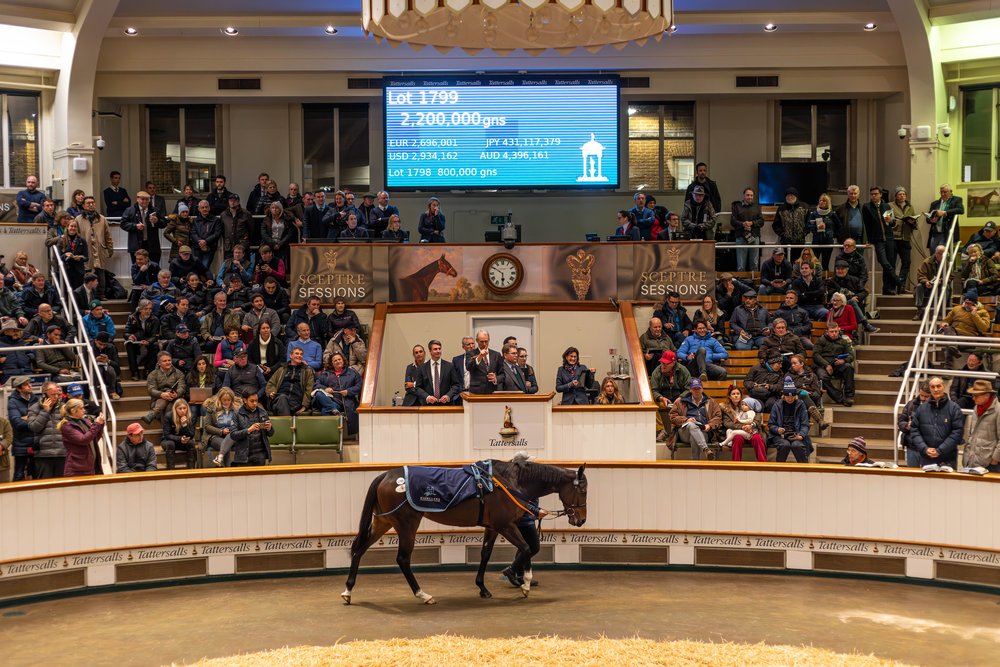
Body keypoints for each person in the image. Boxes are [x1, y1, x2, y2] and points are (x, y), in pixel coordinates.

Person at [909, 376, 964, 468]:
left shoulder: (954, 408)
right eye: (933, 387)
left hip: (948, 458)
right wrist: (924, 448)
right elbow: (914, 430)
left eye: (938, 386)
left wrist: (940, 450)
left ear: (944, 387)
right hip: (926, 457)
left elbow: (957, 433)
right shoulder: (921, 409)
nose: (936, 389)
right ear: (930, 389)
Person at [862, 185, 902, 295]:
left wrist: (890, 220)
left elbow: (893, 223)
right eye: (872, 194)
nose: (873, 196)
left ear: (880, 195)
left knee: (891, 263)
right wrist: (868, 239)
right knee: (884, 262)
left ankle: (888, 289)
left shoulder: (887, 206)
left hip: (889, 238)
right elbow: (866, 225)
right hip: (877, 240)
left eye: (875, 194)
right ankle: (898, 281)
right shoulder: (867, 207)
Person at [669, 378, 721, 459]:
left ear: (702, 389)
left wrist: (710, 425)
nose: (696, 391)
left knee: (695, 436)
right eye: (694, 389)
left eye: (698, 388)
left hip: (704, 431)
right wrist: (686, 420)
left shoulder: (711, 402)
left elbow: (718, 417)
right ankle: (705, 449)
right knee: (691, 424)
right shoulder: (680, 402)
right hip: (684, 432)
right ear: (690, 390)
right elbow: (672, 416)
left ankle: (695, 464)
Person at [938, 289, 991, 368]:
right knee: (948, 329)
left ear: (974, 304)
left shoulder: (983, 312)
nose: (967, 305)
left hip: (969, 337)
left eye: (970, 303)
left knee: (949, 344)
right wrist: (943, 324)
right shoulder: (956, 309)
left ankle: (951, 355)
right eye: (966, 302)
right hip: (954, 336)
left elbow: (984, 328)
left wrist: (974, 315)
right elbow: (945, 321)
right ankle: (953, 348)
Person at [312, 351, 362, 433]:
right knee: (318, 394)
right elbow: (316, 385)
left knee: (325, 410)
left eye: (339, 359)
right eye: (335, 361)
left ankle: (332, 437)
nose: (338, 361)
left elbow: (359, 386)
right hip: (331, 400)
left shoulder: (352, 372)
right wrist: (325, 388)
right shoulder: (325, 374)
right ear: (332, 363)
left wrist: (348, 391)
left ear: (343, 360)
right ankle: (333, 409)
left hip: (346, 402)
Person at [75, 195, 115, 298]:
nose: (91, 205)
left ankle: (101, 294)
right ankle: (88, 295)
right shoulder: (78, 219)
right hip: (86, 249)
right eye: (88, 203)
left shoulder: (102, 219)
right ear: (83, 205)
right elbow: (76, 235)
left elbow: (107, 235)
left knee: (100, 272)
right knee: (87, 272)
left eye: (93, 203)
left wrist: (110, 248)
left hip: (99, 248)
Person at [26, 381, 65, 479]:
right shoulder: (34, 408)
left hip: (62, 452)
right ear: (44, 394)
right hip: (43, 454)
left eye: (58, 394)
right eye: (53, 394)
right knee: (45, 488)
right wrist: (44, 411)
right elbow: (34, 427)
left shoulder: (64, 408)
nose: (56, 397)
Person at [650, 350, 691, 443]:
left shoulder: (683, 370)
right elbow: (653, 390)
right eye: (662, 363)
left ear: (673, 363)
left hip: (680, 399)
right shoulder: (657, 372)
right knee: (650, 402)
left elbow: (689, 388)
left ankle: (680, 430)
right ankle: (661, 430)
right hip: (663, 399)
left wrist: (681, 398)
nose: (663, 365)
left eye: (666, 363)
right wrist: (661, 398)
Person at [768, 378, 812, 463]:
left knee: (797, 445)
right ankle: (779, 469)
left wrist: (801, 435)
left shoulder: (801, 404)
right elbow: (771, 424)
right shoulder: (777, 405)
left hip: (796, 434)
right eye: (788, 396)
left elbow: (805, 424)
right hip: (780, 436)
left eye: (792, 396)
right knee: (784, 445)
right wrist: (777, 429)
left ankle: (804, 469)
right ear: (784, 395)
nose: (790, 398)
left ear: (795, 396)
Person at [225, 390, 273, 467]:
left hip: (260, 454)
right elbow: (233, 434)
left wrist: (269, 428)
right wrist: (248, 430)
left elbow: (271, 434)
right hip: (244, 454)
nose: (255, 403)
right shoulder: (237, 414)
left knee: (260, 478)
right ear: (244, 400)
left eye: (256, 401)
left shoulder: (263, 412)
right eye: (252, 401)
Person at [812, 321, 855, 406]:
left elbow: (851, 355)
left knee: (849, 367)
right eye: (832, 332)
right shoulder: (821, 340)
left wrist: (844, 360)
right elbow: (816, 355)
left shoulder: (843, 341)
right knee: (822, 377)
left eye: (836, 331)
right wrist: (826, 365)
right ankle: (840, 398)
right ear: (827, 332)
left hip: (837, 365)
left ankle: (849, 395)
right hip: (822, 365)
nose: (834, 334)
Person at [59, 399, 106, 477]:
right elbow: (83, 440)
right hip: (77, 469)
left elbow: (93, 439)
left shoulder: (84, 421)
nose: (84, 411)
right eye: (81, 408)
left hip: (91, 466)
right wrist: (97, 424)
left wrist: (101, 425)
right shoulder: (67, 426)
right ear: (73, 410)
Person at [961, 380, 1000, 472]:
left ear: (987, 395)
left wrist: (995, 459)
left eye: (976, 396)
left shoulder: (998, 411)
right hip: (971, 461)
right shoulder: (976, 408)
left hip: (989, 464)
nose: (973, 398)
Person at [719, 388, 765, 462]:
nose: (736, 396)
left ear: (741, 395)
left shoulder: (748, 403)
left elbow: (758, 417)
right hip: (738, 431)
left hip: (752, 430)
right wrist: (742, 427)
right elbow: (727, 423)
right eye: (733, 394)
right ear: (730, 396)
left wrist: (751, 425)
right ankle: (736, 464)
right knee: (737, 438)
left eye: (738, 394)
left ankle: (763, 463)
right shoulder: (726, 409)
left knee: (758, 438)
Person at [267, 346, 315, 415]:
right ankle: (287, 424)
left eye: (301, 354)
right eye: (297, 353)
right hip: (279, 399)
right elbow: (271, 383)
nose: (299, 356)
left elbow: (309, 389)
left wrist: (304, 406)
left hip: (296, 402)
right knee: (283, 398)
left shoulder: (307, 371)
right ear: (291, 355)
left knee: (284, 404)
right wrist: (271, 392)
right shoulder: (282, 369)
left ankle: (285, 424)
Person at [787, 353, 829, 431]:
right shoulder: (789, 376)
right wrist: (800, 391)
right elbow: (786, 389)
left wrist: (810, 394)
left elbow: (817, 393)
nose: (792, 365)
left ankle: (802, 432)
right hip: (792, 398)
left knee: (804, 400)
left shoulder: (812, 376)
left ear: (802, 364)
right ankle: (820, 420)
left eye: (795, 363)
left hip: (809, 399)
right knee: (803, 397)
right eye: (791, 363)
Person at [120, 190, 164, 264]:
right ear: (137, 199)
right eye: (142, 199)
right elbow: (123, 224)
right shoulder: (130, 210)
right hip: (136, 245)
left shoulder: (155, 210)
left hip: (152, 246)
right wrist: (135, 226)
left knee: (153, 266)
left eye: (147, 199)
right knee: (137, 268)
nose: (145, 201)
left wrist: (157, 221)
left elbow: (164, 223)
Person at [7, 377, 37, 481]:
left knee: (37, 474)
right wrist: (34, 419)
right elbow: (17, 423)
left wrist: (27, 417)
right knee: (19, 475)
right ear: (19, 388)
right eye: (26, 384)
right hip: (21, 444)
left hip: (36, 443)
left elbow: (42, 419)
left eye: (29, 383)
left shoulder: (36, 399)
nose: (30, 386)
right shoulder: (13, 402)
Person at [144, 351, 187, 424]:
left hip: (175, 398)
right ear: (159, 363)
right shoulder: (152, 374)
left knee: (169, 406)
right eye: (164, 361)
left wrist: (176, 394)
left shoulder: (179, 373)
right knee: (166, 404)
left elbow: (182, 387)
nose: (168, 362)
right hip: (158, 400)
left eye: (169, 360)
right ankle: (167, 433)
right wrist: (161, 394)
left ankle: (153, 414)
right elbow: (151, 389)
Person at [890, 186, 919, 290]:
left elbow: (915, 223)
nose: (902, 196)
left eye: (903, 194)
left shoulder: (910, 207)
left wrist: (912, 222)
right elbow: (887, 221)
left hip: (906, 239)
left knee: (906, 262)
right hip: (894, 238)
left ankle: (901, 284)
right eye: (899, 194)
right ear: (896, 196)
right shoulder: (890, 206)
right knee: (891, 263)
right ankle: (892, 286)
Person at [124, 299, 160, 379]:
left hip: (148, 341)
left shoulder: (155, 319)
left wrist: (148, 341)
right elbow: (126, 332)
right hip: (136, 340)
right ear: (140, 309)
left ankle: (149, 371)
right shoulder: (132, 317)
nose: (148, 311)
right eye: (146, 309)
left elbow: (155, 335)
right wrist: (129, 336)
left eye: (150, 309)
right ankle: (135, 372)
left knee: (155, 346)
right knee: (129, 345)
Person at [731, 187, 764, 272]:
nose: (750, 197)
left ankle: (755, 284)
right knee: (741, 265)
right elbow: (732, 221)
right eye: (748, 195)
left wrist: (752, 223)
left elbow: (761, 221)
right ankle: (740, 283)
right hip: (741, 237)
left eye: (751, 195)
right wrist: (743, 224)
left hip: (754, 236)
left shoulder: (757, 207)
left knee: (754, 264)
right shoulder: (737, 207)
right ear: (744, 196)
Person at [204, 388, 240, 466]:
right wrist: (221, 431)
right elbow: (207, 426)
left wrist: (232, 430)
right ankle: (227, 468)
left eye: (228, 400)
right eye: (224, 400)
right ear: (220, 399)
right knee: (224, 445)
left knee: (230, 439)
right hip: (215, 436)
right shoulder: (212, 408)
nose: (226, 402)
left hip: (232, 436)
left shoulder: (237, 409)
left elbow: (240, 424)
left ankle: (220, 459)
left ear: (232, 400)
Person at [898, 381, 931, 467]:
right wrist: (907, 426)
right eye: (921, 395)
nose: (923, 398)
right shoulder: (911, 404)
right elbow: (901, 421)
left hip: (929, 448)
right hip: (912, 447)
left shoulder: (938, 408)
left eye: (926, 396)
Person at [416, 339, 458, 405]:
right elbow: (418, 388)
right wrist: (427, 397)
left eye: (439, 349)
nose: (438, 351)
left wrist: (448, 396)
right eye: (435, 349)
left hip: (446, 405)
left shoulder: (449, 366)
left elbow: (456, 385)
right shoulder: (422, 368)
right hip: (428, 406)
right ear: (430, 351)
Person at [772, 187, 810, 261]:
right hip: (786, 242)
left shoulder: (805, 207)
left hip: (800, 242)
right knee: (787, 263)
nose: (789, 197)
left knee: (799, 263)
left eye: (791, 195)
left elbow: (809, 223)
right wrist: (783, 234)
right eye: (788, 195)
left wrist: (804, 233)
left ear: (796, 196)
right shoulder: (781, 208)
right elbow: (775, 225)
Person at [807, 193, 841, 270]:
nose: (821, 202)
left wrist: (832, 234)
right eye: (820, 200)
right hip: (816, 241)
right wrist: (816, 227)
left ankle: (825, 280)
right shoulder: (814, 214)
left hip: (828, 242)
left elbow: (839, 226)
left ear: (828, 203)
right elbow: (808, 226)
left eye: (824, 201)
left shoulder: (832, 214)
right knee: (814, 264)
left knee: (825, 264)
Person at [926, 183, 964, 251]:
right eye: (941, 192)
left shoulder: (956, 200)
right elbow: (928, 217)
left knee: (943, 254)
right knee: (933, 253)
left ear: (950, 191)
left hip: (947, 232)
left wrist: (945, 212)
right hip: (935, 233)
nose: (943, 194)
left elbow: (961, 210)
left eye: (945, 192)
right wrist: (931, 220)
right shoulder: (934, 203)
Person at [161, 398, 196, 469]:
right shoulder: (169, 416)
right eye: (180, 408)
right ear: (175, 409)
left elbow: (191, 435)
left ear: (187, 408)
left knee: (191, 443)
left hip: (183, 442)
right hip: (168, 441)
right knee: (171, 444)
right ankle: (171, 470)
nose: (183, 411)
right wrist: (180, 439)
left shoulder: (190, 416)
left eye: (184, 408)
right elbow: (167, 435)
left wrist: (184, 425)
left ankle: (191, 469)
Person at [466, 329, 502, 394]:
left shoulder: (496, 355)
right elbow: (469, 367)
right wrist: (479, 357)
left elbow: (502, 374)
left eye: (486, 341)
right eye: (481, 342)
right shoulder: (471, 353)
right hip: (476, 391)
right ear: (477, 341)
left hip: (492, 390)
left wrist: (496, 378)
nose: (484, 344)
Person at [191, 199, 223, 272]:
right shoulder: (195, 220)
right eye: (202, 207)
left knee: (204, 267)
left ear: (209, 208)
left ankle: (204, 282)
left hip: (210, 247)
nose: (205, 209)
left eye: (206, 207)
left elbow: (217, 233)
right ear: (199, 209)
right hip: (198, 248)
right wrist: (201, 242)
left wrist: (206, 241)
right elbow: (193, 233)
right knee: (197, 267)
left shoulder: (215, 220)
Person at [58, 219, 88, 289]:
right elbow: (58, 257)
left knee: (77, 292)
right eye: (71, 226)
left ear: (77, 228)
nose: (73, 228)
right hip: (66, 269)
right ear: (67, 227)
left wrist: (80, 257)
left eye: (75, 227)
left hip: (79, 270)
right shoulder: (61, 240)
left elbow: (86, 257)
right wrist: (65, 255)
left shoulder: (82, 240)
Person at [220, 193, 251, 260]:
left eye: (235, 200)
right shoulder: (223, 215)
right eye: (231, 200)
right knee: (228, 268)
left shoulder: (246, 214)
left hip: (242, 246)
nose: (232, 202)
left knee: (244, 267)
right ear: (228, 202)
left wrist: (246, 240)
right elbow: (222, 231)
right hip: (229, 247)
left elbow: (251, 230)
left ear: (238, 202)